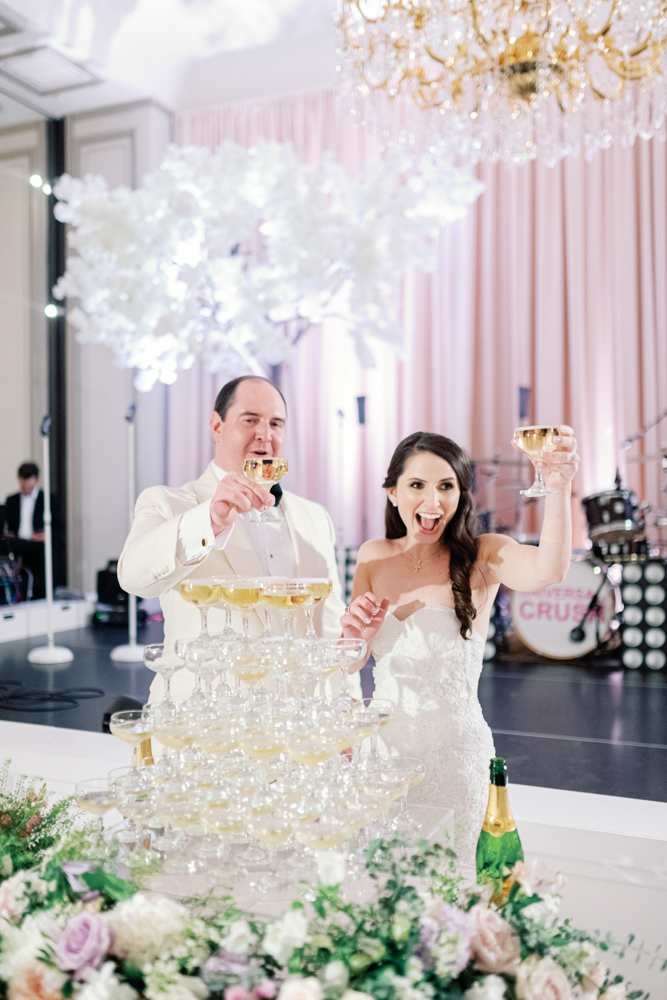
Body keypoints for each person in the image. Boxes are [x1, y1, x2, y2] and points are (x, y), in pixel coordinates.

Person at [341, 427, 579, 867]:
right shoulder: (373, 556)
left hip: (455, 759)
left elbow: (548, 571)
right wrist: (353, 637)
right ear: (393, 493)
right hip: (384, 759)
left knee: (456, 891)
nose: (433, 503)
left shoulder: (485, 555)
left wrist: (558, 490)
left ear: (461, 494)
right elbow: (353, 660)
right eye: (417, 486)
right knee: (383, 889)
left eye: (446, 486)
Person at [118, 375, 354, 701]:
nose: (265, 434)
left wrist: (345, 708)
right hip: (204, 729)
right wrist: (209, 520)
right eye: (250, 420)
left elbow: (327, 631)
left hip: (296, 731)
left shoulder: (315, 517)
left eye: (276, 423)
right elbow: (133, 576)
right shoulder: (169, 503)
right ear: (217, 426)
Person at [3, 462, 63, 599]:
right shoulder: (12, 500)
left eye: (28, 483)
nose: (25, 487)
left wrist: (46, 535)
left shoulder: (48, 499)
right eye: (22, 483)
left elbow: (59, 528)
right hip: (19, 544)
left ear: (36, 480)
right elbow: (8, 525)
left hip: (38, 546)